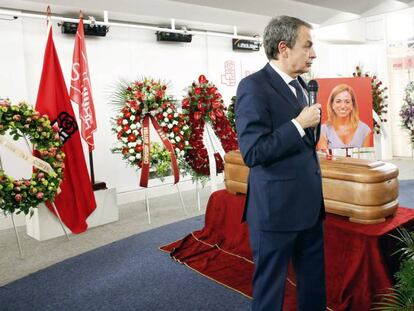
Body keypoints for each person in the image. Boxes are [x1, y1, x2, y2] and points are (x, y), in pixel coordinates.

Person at [235, 16, 326, 310]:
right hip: (275, 212)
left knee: (313, 286)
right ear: (284, 48)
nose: (313, 54)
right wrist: (298, 125)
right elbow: (253, 151)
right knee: (270, 293)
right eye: (308, 46)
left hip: (310, 207)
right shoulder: (253, 87)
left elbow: (304, 146)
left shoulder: (302, 86)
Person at [318, 84, 371, 149]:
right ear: (332, 105)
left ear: (352, 105)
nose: (343, 106)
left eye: (347, 102)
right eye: (338, 101)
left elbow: (365, 158)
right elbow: (324, 158)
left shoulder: (364, 130)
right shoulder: (323, 130)